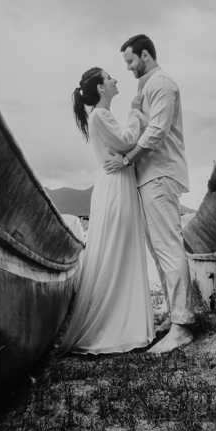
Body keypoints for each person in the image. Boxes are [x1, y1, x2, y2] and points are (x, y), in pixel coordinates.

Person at [104, 34, 195, 354]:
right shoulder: (147, 88)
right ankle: (175, 315)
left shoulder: (162, 83)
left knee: (168, 246)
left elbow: (157, 131)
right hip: (148, 177)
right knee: (158, 250)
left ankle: (183, 327)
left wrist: (126, 159)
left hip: (160, 174)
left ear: (145, 55)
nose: (128, 67)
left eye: (130, 61)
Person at [58, 67, 155, 355]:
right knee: (118, 249)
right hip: (116, 186)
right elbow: (126, 141)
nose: (114, 80)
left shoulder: (101, 115)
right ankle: (118, 326)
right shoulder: (100, 115)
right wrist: (135, 112)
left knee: (118, 249)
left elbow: (123, 144)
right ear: (101, 87)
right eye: (109, 77)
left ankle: (123, 322)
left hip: (116, 183)